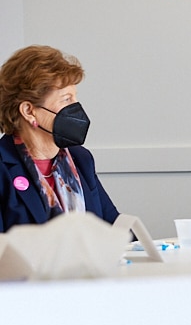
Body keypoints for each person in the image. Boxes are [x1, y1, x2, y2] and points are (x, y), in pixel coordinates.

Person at [0, 45, 118, 231]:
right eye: (66, 99)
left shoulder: (81, 159)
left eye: (75, 97)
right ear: (29, 111)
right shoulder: (3, 168)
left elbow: (116, 228)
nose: (77, 107)